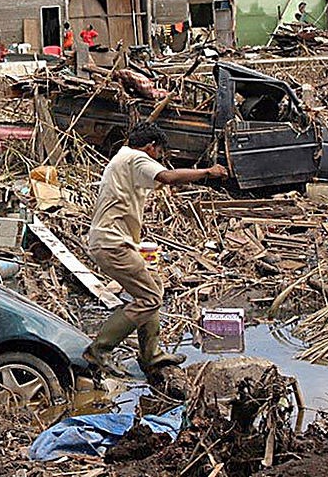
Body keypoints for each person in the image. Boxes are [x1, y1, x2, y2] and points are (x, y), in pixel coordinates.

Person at [83, 123, 229, 378]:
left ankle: (151, 354)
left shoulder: (123, 159)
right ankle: (99, 349)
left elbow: (161, 182)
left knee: (153, 288)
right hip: (112, 242)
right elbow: (167, 177)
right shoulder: (136, 157)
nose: (159, 160)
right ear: (151, 147)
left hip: (110, 240)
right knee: (150, 297)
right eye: (159, 154)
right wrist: (208, 171)